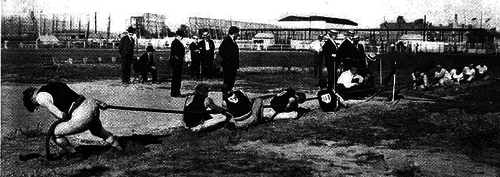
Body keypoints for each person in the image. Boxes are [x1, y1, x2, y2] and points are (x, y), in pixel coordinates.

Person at [22, 82, 123, 157]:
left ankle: (74, 154)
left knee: (55, 133)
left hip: (81, 113)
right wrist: (98, 103)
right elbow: (76, 96)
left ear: (32, 99)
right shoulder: (53, 84)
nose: (37, 106)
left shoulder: (40, 97)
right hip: (90, 103)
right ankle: (117, 145)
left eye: (35, 106)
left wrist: (62, 117)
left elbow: (59, 114)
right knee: (98, 131)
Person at [219, 26, 240, 90]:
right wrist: (228, 58)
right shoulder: (227, 41)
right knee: (227, 81)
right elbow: (221, 51)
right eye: (237, 34)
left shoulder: (233, 41)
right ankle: (226, 95)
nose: (237, 36)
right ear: (234, 33)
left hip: (233, 65)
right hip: (228, 65)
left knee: (231, 82)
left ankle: (229, 94)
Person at [170, 30, 186, 97]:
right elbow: (176, 54)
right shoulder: (176, 43)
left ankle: (176, 92)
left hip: (177, 63)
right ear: (178, 36)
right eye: (181, 36)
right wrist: (179, 59)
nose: (182, 38)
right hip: (177, 63)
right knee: (176, 78)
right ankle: (175, 92)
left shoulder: (176, 42)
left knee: (177, 78)